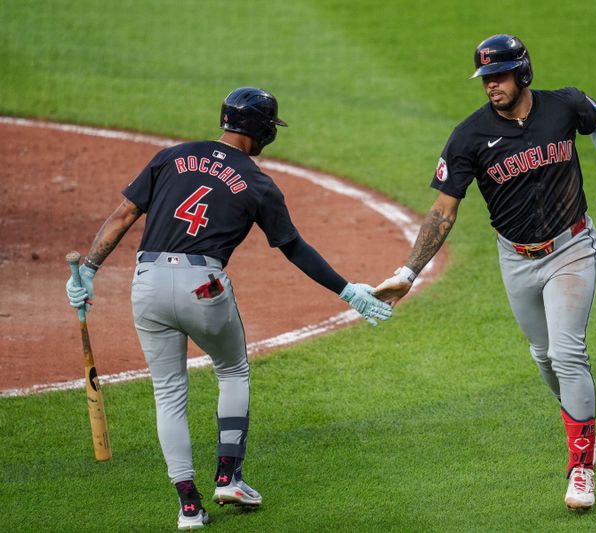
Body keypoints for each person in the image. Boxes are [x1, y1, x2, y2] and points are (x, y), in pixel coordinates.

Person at [65, 87, 393, 530]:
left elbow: (124, 215)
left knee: (168, 394)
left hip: (147, 284)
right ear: (260, 130)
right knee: (233, 371)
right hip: (204, 287)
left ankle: (187, 507)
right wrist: (346, 291)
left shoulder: (171, 157)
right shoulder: (257, 182)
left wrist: (87, 270)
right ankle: (228, 476)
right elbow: (293, 247)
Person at [374, 34, 596, 510]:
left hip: (572, 246)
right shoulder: (469, 136)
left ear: (523, 72)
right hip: (516, 259)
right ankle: (583, 423)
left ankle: (581, 467)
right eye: (486, 78)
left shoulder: (563, 106)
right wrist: (408, 272)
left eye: (499, 75)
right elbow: (442, 212)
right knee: (544, 356)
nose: (491, 85)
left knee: (567, 352)